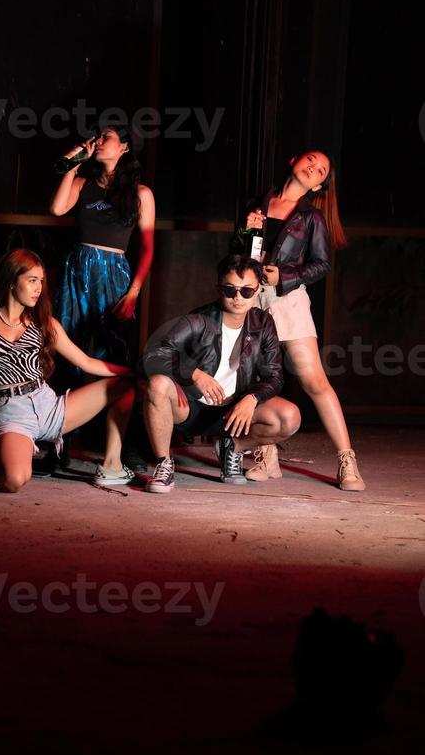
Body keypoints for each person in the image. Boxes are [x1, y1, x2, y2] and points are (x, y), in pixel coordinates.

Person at [231, 150, 365, 491]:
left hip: (287, 300)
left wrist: (285, 277)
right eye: (310, 160)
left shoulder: (312, 217)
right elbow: (237, 254)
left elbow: (322, 264)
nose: (313, 168)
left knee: (314, 381)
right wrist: (244, 232)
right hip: (250, 298)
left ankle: (347, 460)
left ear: (320, 184)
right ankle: (266, 455)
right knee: (255, 378)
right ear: (292, 160)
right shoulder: (258, 203)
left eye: (320, 170)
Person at [0, 249, 136, 493]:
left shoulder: (45, 324)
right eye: (32, 281)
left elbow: (87, 362)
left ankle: (112, 464)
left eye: (41, 282)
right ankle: (11, 446)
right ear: (12, 281)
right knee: (14, 481)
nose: (38, 289)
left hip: (49, 405)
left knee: (127, 386)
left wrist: (133, 372)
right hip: (11, 413)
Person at [141, 255, 301, 493]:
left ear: (258, 291)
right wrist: (194, 374)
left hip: (234, 413)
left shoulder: (263, 323)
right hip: (190, 407)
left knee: (289, 417)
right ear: (219, 288)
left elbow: (275, 376)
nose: (238, 297)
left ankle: (232, 447)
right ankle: (165, 463)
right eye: (230, 290)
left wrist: (252, 398)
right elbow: (152, 355)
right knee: (157, 385)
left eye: (247, 291)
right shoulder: (198, 319)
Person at [50, 123, 155, 471]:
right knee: (67, 352)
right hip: (77, 272)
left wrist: (134, 291)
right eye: (96, 137)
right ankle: (57, 441)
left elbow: (148, 249)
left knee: (117, 356)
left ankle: (126, 446)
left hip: (115, 276)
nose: (98, 142)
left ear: (124, 147)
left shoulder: (141, 194)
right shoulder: (83, 184)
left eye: (106, 137)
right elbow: (57, 209)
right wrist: (73, 164)